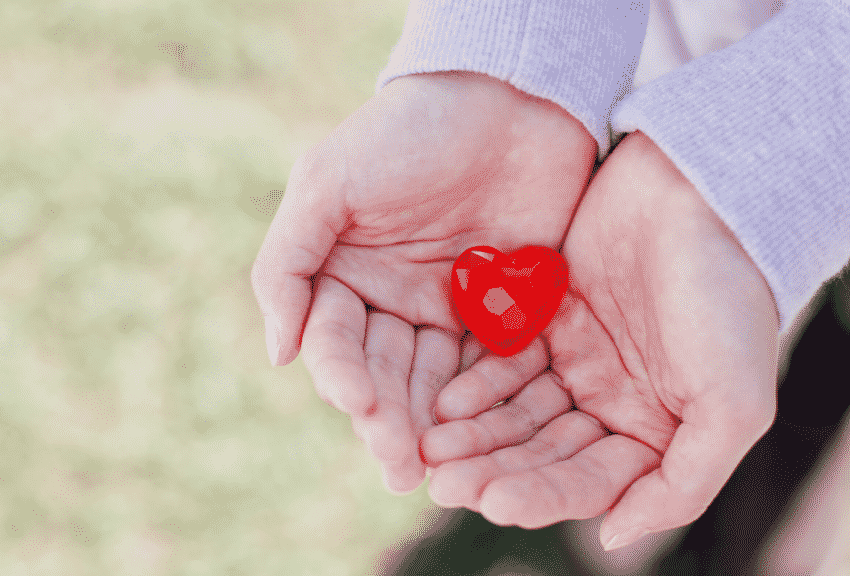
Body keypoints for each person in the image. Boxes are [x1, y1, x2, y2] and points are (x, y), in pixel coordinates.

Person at [250, 0, 850, 559]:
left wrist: (772, 177)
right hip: (630, 92)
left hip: (778, 186)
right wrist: (515, 52)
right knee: (548, 391)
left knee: (750, 398)